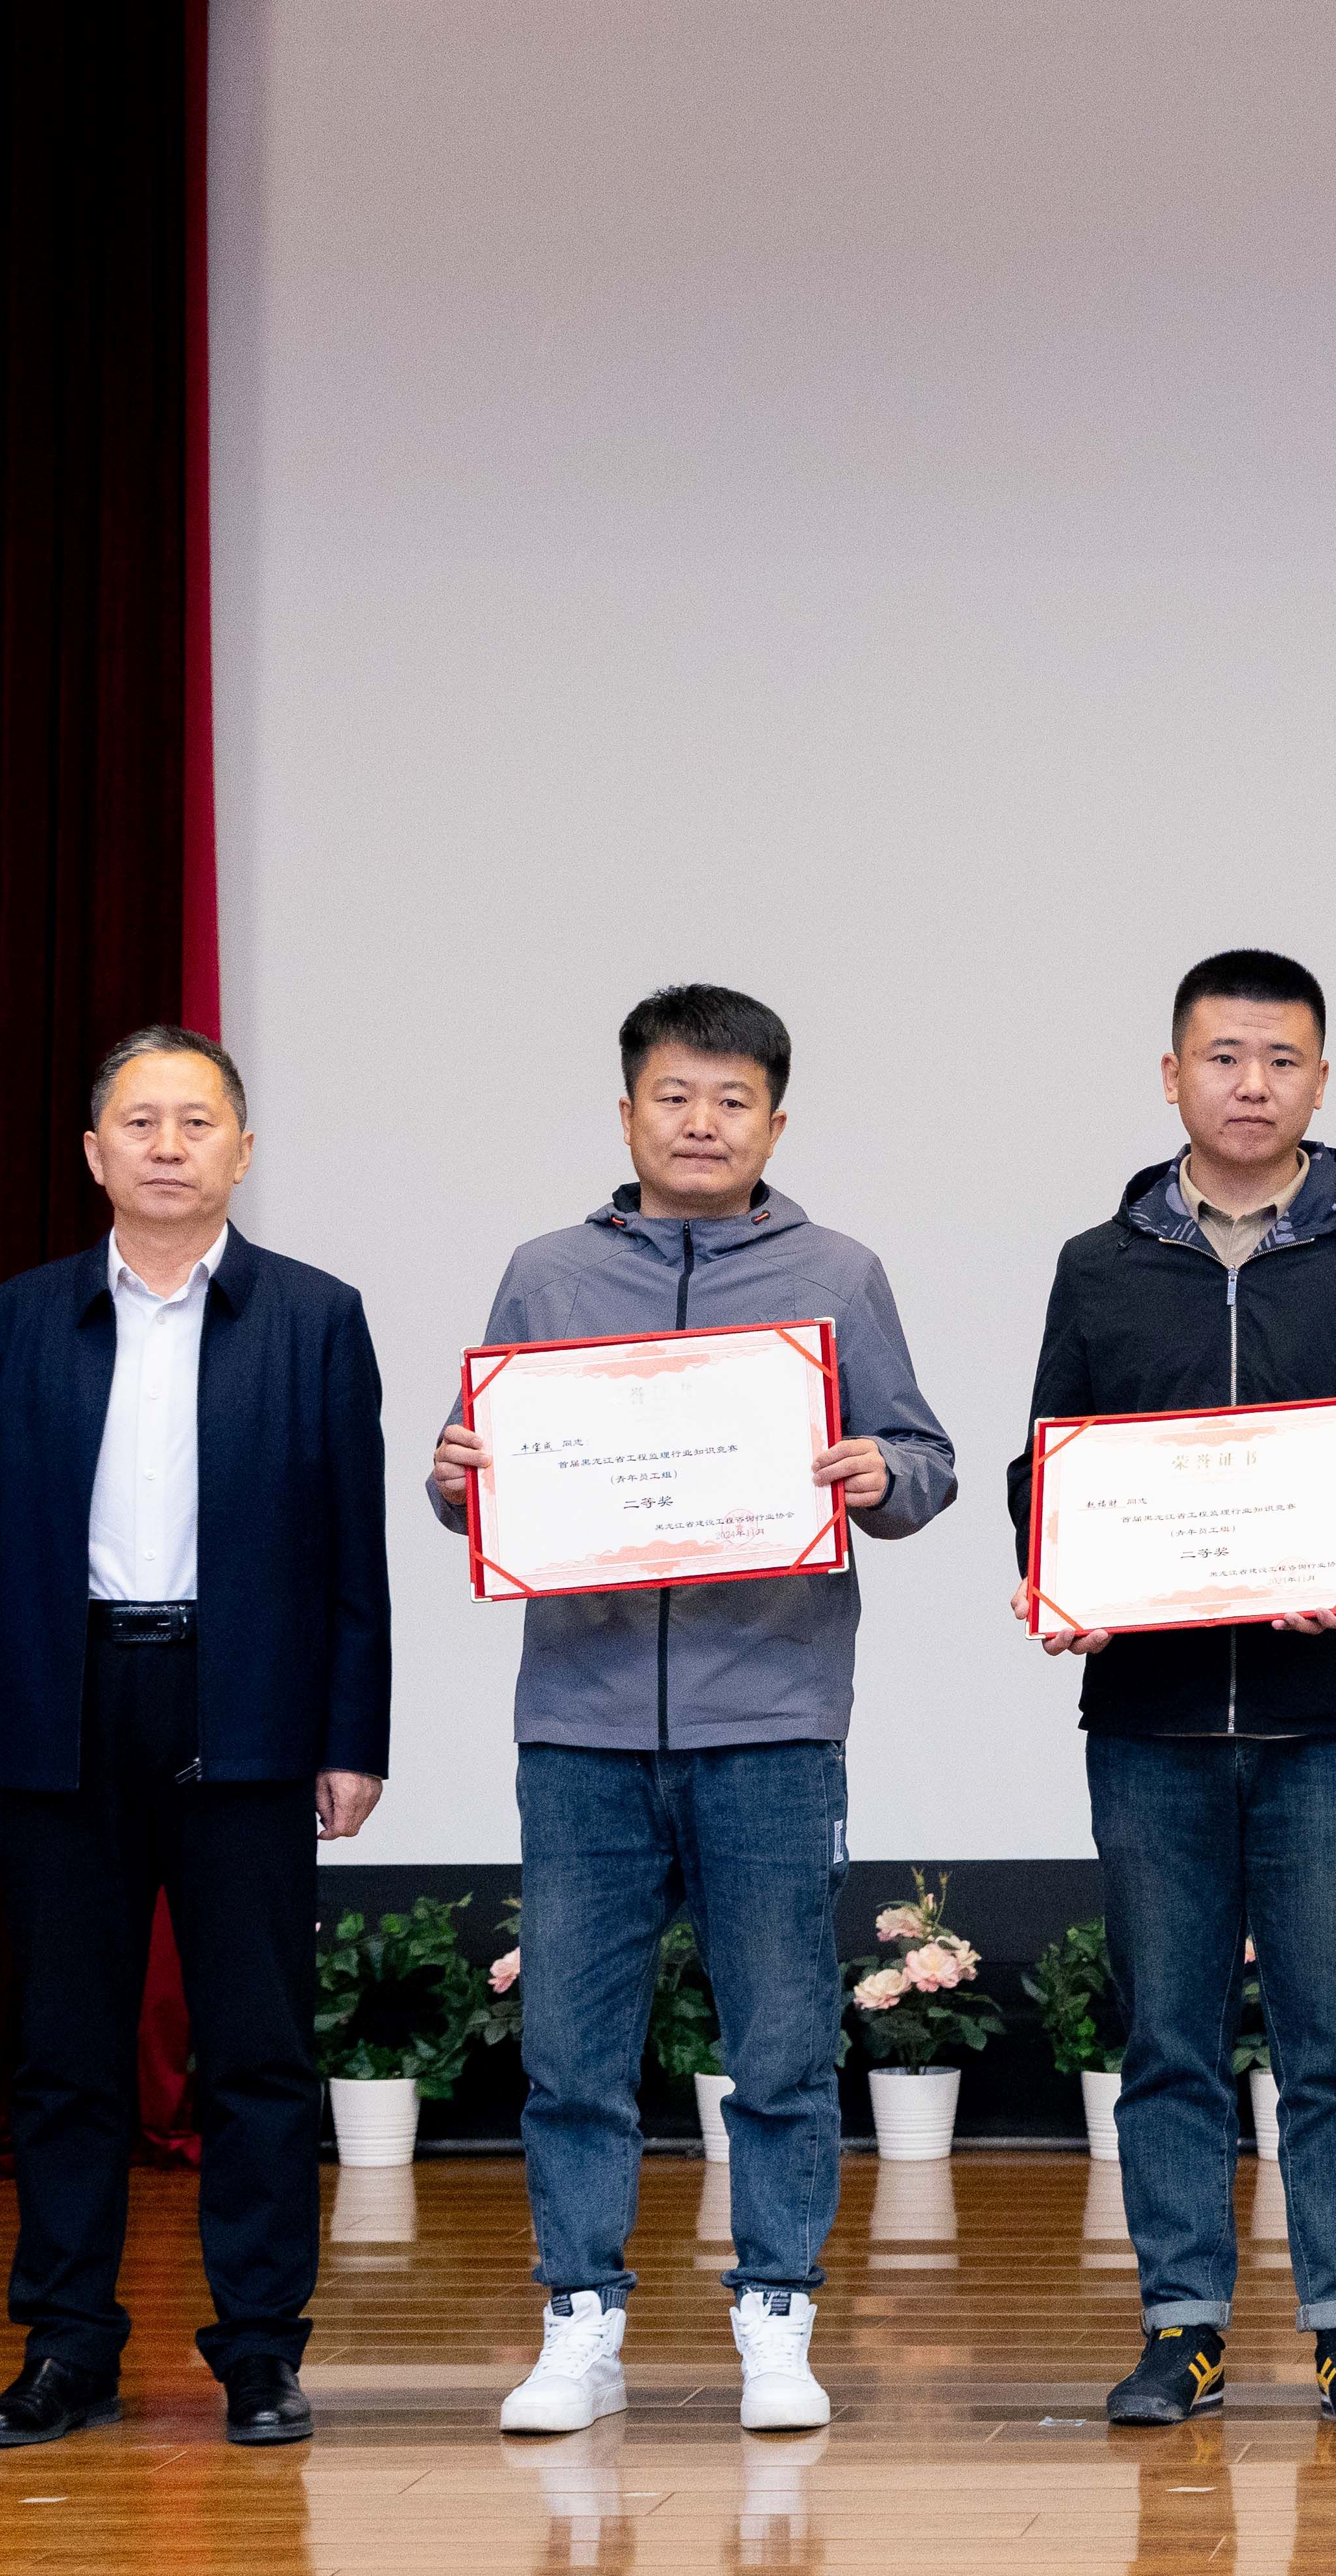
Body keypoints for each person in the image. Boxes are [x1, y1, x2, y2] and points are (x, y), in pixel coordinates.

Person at [438, 985, 957, 2437]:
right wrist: (457, 1474)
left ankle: (777, 2313)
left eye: (734, 1101)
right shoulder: (546, 1274)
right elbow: (476, 1476)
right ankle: (579, 2322)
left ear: (776, 1123)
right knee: (570, 2046)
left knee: (781, 2041)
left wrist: (883, 1474)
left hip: (773, 1714)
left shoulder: (836, 1271)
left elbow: (923, 1459)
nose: (703, 1123)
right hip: (582, 1721)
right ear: (627, 1114)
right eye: (675, 1096)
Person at [1010, 950, 1336, 2433]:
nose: (1252, 1084)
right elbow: (1048, 1463)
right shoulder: (1101, 1264)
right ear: (1173, 1076)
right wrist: (1061, 1571)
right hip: (1149, 1719)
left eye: (1282, 1059)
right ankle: (1183, 2324)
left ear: (1321, 1080)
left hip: (1329, 1711)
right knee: (1170, 2039)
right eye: (1223, 1057)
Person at [0, 1025, 393, 2450]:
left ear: (243, 1150)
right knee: (64, 2053)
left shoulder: (315, 1316)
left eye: (199, 1121)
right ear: (95, 1153)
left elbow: (354, 1554)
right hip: (62, 1703)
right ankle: (68, 2346)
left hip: (244, 1701)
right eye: (141, 1122)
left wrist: (352, 1734)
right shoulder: (22, 1316)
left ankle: (260, 2349)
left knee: (258, 2049)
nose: (170, 1145)